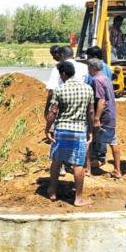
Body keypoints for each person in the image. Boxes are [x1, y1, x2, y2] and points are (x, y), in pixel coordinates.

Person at [45, 61, 95, 207]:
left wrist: (47, 128)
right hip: (79, 131)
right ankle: (78, 198)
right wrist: (90, 130)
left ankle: (52, 191)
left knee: (56, 160)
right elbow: (90, 111)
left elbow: (53, 111)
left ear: (63, 74)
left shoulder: (59, 90)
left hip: (61, 130)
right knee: (78, 164)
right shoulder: (88, 89)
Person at [87, 59, 121, 178]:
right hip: (110, 115)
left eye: (88, 67)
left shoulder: (96, 80)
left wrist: (96, 119)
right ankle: (117, 170)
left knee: (89, 139)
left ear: (92, 68)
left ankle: (88, 169)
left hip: (103, 116)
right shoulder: (106, 78)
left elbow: (101, 100)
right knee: (113, 141)